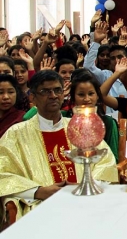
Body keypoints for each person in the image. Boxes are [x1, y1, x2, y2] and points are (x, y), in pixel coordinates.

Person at [0, 71, 118, 224]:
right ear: (32, 97)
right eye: (45, 91)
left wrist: (85, 185)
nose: (53, 95)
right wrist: (38, 191)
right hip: (41, 207)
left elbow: (105, 163)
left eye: (57, 90)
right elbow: (4, 174)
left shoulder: (80, 127)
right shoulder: (16, 134)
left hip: (86, 201)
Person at [67, 69, 120, 162]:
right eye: (81, 94)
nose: (87, 99)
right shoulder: (65, 119)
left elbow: (114, 158)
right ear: (73, 96)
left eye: (91, 94)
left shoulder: (108, 123)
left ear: (97, 95)